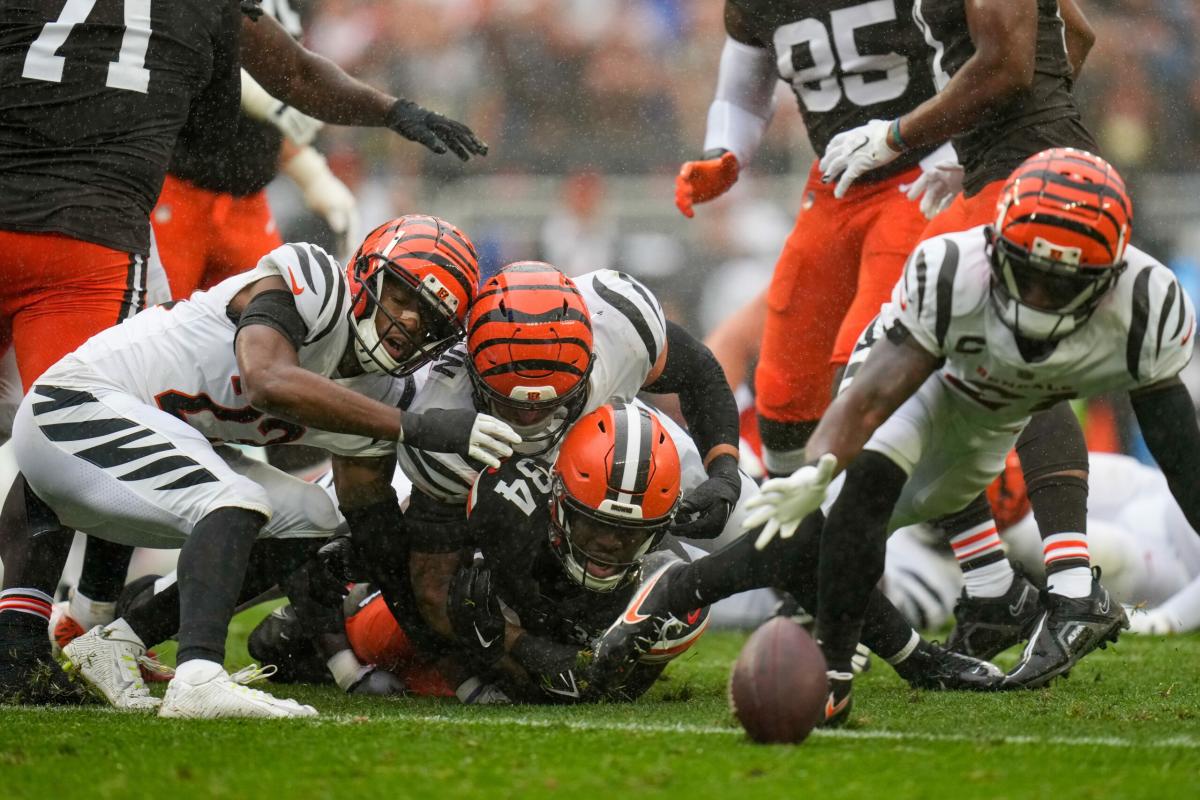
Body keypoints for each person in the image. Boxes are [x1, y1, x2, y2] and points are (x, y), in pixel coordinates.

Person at [739, 150, 1200, 722]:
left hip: (1009, 414)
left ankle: (1059, 588)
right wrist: (819, 463)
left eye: (1060, 286)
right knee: (868, 477)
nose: (1037, 299)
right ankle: (833, 670)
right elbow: (878, 391)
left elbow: (1181, 457)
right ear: (996, 243)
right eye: (1027, 273)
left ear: (1111, 276)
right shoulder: (953, 271)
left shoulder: (1146, 306)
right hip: (949, 382)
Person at [0, 215, 520, 716]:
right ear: (366, 276)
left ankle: (118, 642)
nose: (408, 321)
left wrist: (450, 659)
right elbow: (266, 378)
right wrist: (419, 427)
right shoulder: (316, 282)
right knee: (231, 498)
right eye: (403, 297)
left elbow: (377, 535)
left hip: (136, 450)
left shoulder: (384, 393)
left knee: (314, 516)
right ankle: (199, 678)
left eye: (428, 318)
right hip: (73, 408)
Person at [386, 263, 746, 660]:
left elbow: (700, 374)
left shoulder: (620, 323)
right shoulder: (440, 417)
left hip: (612, 434)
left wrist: (725, 470)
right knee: (485, 600)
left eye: (550, 402)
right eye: (511, 403)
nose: (530, 418)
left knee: (756, 523)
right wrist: (525, 650)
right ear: (474, 371)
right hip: (498, 481)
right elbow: (435, 588)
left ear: (590, 358)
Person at [249, 404, 711, 704]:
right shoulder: (506, 500)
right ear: (557, 499)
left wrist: (507, 642)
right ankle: (341, 608)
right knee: (284, 644)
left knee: (436, 678)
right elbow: (417, 560)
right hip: (459, 624)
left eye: (628, 533)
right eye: (596, 524)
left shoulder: (671, 587)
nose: (609, 544)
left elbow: (594, 690)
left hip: (510, 637)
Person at [883, 451, 1200, 637]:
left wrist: (1166, 620)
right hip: (1149, 498)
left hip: (1171, 560)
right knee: (1043, 477)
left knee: (1043, 525)